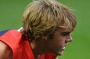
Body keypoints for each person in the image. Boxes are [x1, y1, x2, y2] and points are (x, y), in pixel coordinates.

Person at [0, 0, 76, 59]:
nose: (70, 39)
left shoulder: (50, 51)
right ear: (44, 33)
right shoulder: (6, 51)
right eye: (64, 34)